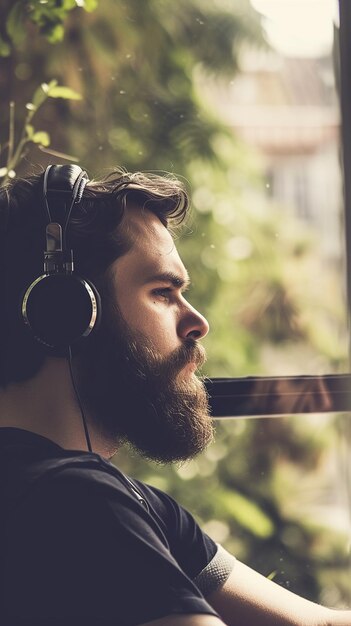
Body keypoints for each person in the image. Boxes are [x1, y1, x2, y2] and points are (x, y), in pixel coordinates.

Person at [0, 164, 349, 626]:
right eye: (163, 292)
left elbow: (318, 624)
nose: (198, 322)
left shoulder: (135, 502)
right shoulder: (73, 500)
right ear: (66, 313)